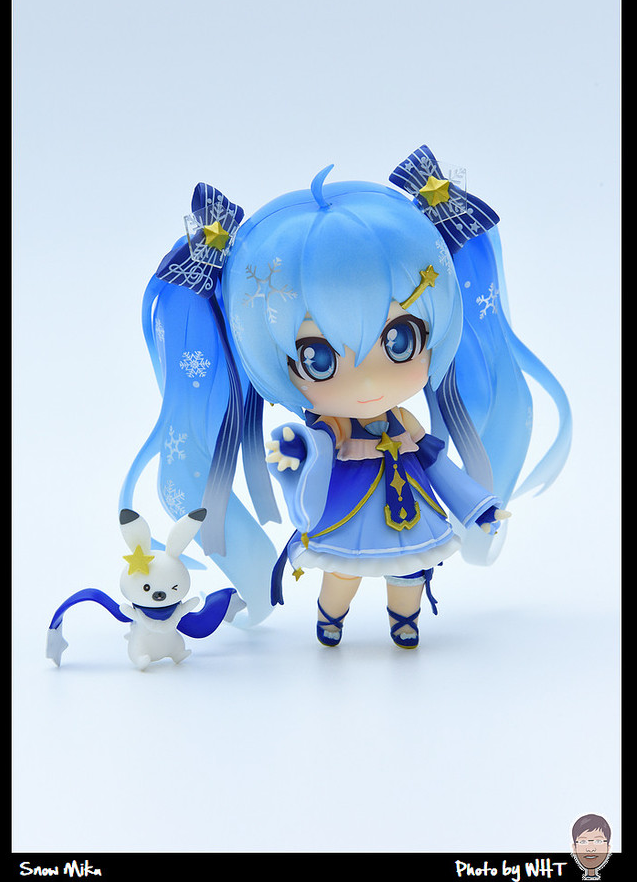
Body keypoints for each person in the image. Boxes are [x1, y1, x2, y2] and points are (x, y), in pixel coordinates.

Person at [121, 144, 571, 646]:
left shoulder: (406, 426)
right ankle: (329, 618)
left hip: (408, 511)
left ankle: (404, 620)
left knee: (410, 573)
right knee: (342, 573)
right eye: (319, 359)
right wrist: (297, 457)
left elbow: (440, 466)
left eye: (400, 341)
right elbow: (305, 471)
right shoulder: (327, 433)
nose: (369, 382)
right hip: (347, 512)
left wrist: (478, 505)